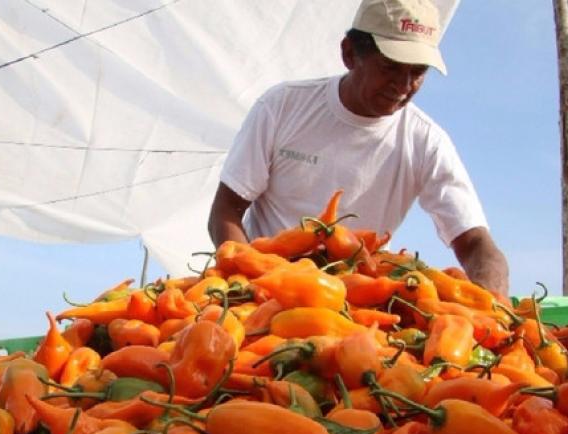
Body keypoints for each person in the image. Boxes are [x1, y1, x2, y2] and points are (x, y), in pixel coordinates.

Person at [208, 0, 508, 296]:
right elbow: (226, 211)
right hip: (269, 289)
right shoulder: (282, 106)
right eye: (390, 67)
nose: (404, 86)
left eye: (417, 72)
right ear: (349, 53)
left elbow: (475, 243)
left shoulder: (426, 141)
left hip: (362, 298)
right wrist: (253, 282)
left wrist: (492, 305)